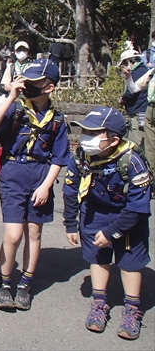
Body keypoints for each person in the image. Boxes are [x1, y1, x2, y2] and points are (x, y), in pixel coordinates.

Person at [0, 59, 70, 311]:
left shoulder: (57, 120)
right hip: (14, 172)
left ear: (50, 87)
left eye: (35, 82)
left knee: (34, 232)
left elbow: (59, 157)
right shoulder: (17, 108)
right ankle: (4, 282)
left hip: (41, 175)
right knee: (13, 234)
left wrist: (46, 185)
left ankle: (25, 283)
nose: (29, 85)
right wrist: (10, 97)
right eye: (26, 80)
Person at [63, 107, 151, 340]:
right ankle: (99, 303)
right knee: (98, 257)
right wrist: (71, 223)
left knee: (130, 262)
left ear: (114, 140)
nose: (84, 138)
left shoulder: (132, 162)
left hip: (128, 217)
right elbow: (71, 189)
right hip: (95, 212)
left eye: (93, 133)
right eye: (83, 131)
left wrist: (113, 232)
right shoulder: (82, 156)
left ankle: (132, 309)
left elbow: (137, 208)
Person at [123, 66, 155, 169]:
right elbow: (134, 89)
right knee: (150, 149)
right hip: (150, 109)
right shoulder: (151, 72)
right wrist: (128, 77)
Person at [119, 49, 149, 148]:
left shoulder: (138, 72)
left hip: (139, 111)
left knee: (137, 143)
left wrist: (123, 99)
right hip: (138, 110)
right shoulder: (143, 70)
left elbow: (132, 91)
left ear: (128, 61)